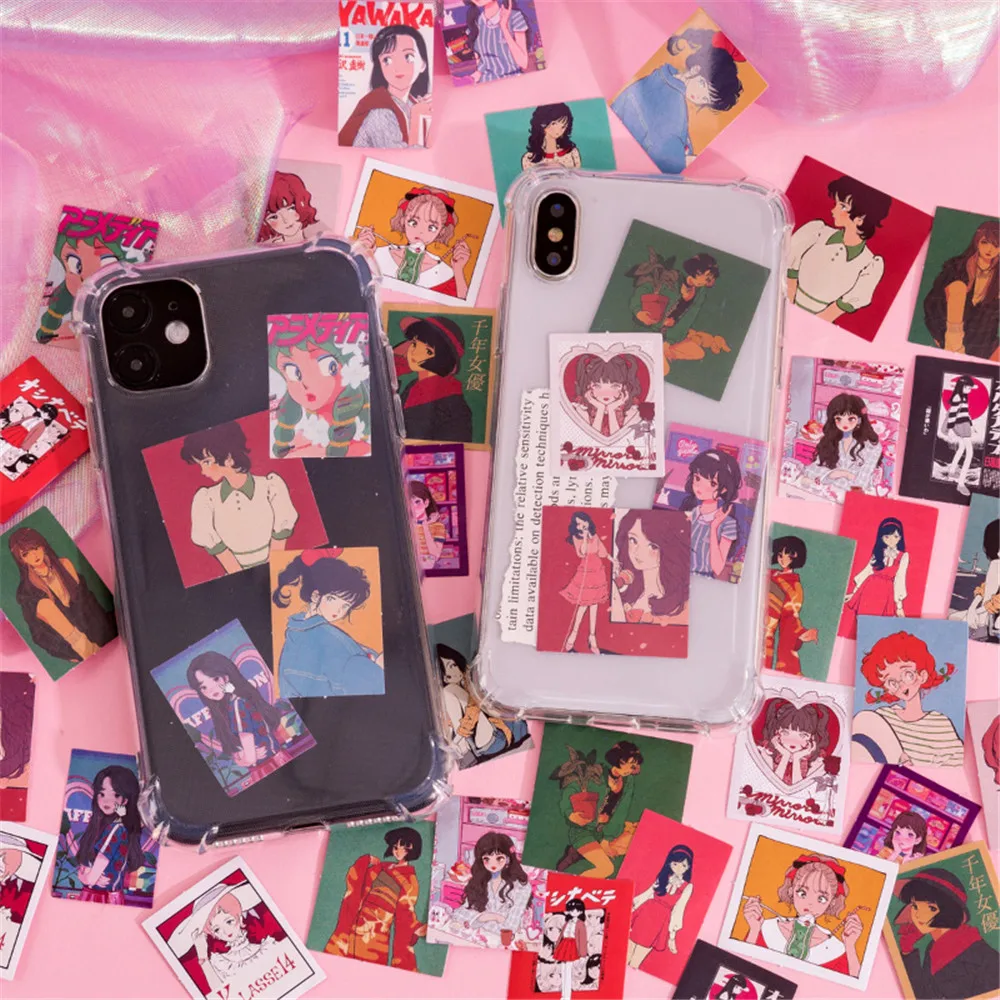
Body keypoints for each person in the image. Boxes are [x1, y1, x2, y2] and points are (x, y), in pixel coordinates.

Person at [611, 29, 744, 173]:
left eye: (705, 99)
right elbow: (664, 152)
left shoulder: (660, 76)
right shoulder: (675, 104)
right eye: (702, 85)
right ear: (696, 69)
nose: (698, 97)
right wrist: (686, 160)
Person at [181, 421, 299, 574]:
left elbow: (280, 536)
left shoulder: (270, 487)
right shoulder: (207, 500)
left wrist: (271, 575)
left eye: (207, 462)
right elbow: (217, 547)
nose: (203, 471)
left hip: (276, 570)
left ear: (228, 457)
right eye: (200, 464)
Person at [272, 551, 384, 698]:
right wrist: (377, 667)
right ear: (315, 596)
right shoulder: (321, 637)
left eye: (345, 606)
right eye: (332, 599)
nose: (338, 610)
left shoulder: (298, 632)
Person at [787, 175, 891, 322]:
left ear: (860, 219)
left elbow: (839, 308)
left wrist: (806, 324)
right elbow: (790, 272)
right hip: (784, 304)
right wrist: (788, 308)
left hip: (817, 322)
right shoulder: (817, 232)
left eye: (842, 206)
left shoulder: (870, 264)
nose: (833, 210)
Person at [741, 854, 865, 977]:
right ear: (791, 890)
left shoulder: (835, 948)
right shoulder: (766, 928)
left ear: (832, 902)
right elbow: (741, 965)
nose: (810, 903)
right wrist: (754, 929)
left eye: (821, 898)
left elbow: (853, 981)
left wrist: (850, 946)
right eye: (802, 893)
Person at [8, 525, 116, 665]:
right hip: (69, 645)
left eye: (35, 548)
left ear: (42, 546)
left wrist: (104, 631)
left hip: (95, 627)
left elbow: (87, 601)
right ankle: (88, 650)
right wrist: (68, 653)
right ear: (21, 559)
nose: (34, 555)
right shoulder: (26, 592)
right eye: (26, 553)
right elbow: (39, 634)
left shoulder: (64, 565)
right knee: (45, 605)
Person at [853, 630, 963, 767]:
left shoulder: (939, 724)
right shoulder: (882, 717)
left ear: (922, 675)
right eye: (891, 682)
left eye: (907, 674)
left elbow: (955, 765)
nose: (901, 685)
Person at [268, 313, 371, 459]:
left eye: (328, 366)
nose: (306, 385)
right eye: (293, 372)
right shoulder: (294, 409)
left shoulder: (353, 400)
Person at [325, 826, 427, 970]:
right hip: (358, 919)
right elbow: (358, 883)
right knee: (335, 961)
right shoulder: (382, 867)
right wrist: (364, 861)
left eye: (403, 848)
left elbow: (405, 910)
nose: (398, 851)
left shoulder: (410, 880)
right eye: (395, 847)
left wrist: (415, 927)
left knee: (365, 969)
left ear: (411, 849)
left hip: (376, 930)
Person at [894, 866, 1000, 998]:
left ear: (950, 911)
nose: (918, 915)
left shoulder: (981, 954)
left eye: (932, 908)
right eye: (915, 906)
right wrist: (907, 951)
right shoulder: (932, 948)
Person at [357, 187, 472, 299]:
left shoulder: (444, 273)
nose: (421, 232)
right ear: (403, 220)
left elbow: (462, 306)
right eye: (413, 222)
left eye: (431, 227)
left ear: (441, 231)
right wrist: (363, 253)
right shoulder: (379, 255)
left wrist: (458, 269)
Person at [185, 651, 290, 771]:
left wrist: (241, 760)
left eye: (215, 679)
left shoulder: (237, 705)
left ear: (226, 677)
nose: (212, 689)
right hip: (276, 760)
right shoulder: (236, 703)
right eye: (203, 687)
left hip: (268, 766)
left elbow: (250, 758)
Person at [626, 249, 729, 372]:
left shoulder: (700, 292)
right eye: (707, 278)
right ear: (697, 271)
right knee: (664, 370)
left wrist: (670, 341)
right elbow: (642, 291)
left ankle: (660, 351)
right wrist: (638, 311)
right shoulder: (672, 278)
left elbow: (689, 318)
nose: (708, 283)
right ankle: (654, 351)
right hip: (650, 328)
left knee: (698, 353)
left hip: (670, 334)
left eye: (710, 280)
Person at [555, 740, 644, 878]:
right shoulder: (596, 773)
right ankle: (571, 883)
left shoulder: (628, 781)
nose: (629, 769)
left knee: (641, 841)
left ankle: (577, 853)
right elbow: (571, 790)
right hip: (583, 831)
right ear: (617, 759)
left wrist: (607, 839)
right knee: (606, 869)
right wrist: (570, 813)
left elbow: (622, 810)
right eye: (627, 763)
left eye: (633, 765)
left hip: (607, 830)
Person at [171, 882, 281, 993]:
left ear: (239, 917)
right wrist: (203, 957)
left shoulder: (267, 946)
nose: (226, 931)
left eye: (229, 921)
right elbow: (219, 994)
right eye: (217, 929)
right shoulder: (220, 963)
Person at [339, 24, 432, 148]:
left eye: (408, 57)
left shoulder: (412, 103)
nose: (398, 67)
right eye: (387, 60)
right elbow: (399, 153)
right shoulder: (380, 110)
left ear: (423, 64)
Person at [437, 643, 529, 765]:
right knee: (448, 692)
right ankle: (461, 746)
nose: (452, 673)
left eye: (453, 665)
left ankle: (462, 747)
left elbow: (472, 715)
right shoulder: (457, 691)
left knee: (448, 691)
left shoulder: (469, 680)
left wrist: (455, 741)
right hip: (488, 740)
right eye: (446, 673)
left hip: (498, 736)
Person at [923, 218, 999, 359]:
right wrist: (938, 334)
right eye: (985, 242)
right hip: (948, 329)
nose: (989, 249)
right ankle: (954, 347)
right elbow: (933, 301)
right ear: (977, 241)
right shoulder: (957, 266)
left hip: (980, 336)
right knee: (958, 287)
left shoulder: (997, 276)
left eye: (996, 245)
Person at [392, 315, 473, 442]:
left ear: (443, 358)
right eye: (414, 344)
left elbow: (453, 448)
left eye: (428, 351)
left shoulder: (454, 406)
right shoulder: (413, 387)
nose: (414, 352)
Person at [73, 765, 145, 905]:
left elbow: (99, 863)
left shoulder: (117, 828)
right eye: (102, 794)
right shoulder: (103, 825)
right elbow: (86, 863)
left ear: (125, 800)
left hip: (102, 897)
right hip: (102, 895)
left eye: (116, 795)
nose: (106, 801)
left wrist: (87, 877)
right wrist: (86, 873)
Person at [448, 831, 532, 947]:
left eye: (499, 858)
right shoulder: (481, 881)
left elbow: (509, 929)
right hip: (479, 938)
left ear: (508, 858)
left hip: (505, 943)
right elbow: (459, 914)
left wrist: (477, 921)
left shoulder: (521, 887)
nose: (493, 863)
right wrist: (490, 917)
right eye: (487, 859)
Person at [611, 509, 689, 626]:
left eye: (652, 546)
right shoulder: (627, 592)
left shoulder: (683, 607)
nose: (638, 552)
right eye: (633, 540)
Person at [677, 449, 743, 581]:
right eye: (697, 478)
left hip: (701, 580)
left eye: (712, 483)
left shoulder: (727, 524)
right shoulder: (689, 513)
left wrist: (713, 528)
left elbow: (717, 568)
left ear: (724, 489)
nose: (700, 486)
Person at [802, 393, 883, 496]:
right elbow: (810, 470)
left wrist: (828, 479)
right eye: (839, 419)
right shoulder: (831, 440)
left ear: (859, 419)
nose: (844, 424)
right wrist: (839, 474)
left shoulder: (872, 446)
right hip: (828, 493)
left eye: (851, 419)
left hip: (853, 497)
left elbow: (860, 486)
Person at [628, 844, 694, 967]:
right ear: (670, 863)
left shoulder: (687, 887)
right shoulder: (663, 876)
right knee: (626, 954)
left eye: (683, 865)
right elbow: (648, 893)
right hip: (645, 913)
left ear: (688, 867)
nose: (679, 868)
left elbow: (679, 909)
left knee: (636, 961)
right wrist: (632, 908)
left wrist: (672, 936)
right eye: (675, 864)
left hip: (660, 921)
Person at [841, 516, 909, 636]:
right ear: (881, 537)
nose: (891, 540)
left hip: (886, 593)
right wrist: (854, 593)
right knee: (862, 621)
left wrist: (899, 606)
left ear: (900, 537)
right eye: (887, 537)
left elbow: (900, 579)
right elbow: (868, 571)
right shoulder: (878, 552)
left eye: (895, 536)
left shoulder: (903, 556)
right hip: (869, 589)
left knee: (879, 626)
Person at [558, 511, 614, 654]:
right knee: (583, 605)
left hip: (597, 571)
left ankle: (592, 636)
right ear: (576, 526)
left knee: (594, 605)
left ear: (588, 522)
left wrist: (614, 561)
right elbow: (581, 553)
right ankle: (573, 634)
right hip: (586, 572)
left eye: (584, 522)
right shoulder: (576, 537)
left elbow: (602, 551)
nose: (582, 525)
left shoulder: (594, 536)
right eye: (579, 524)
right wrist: (584, 538)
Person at [763, 535, 819, 674]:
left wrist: (800, 632)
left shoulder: (794, 586)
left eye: (788, 555)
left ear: (796, 556)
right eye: (780, 554)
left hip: (766, 630)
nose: (783, 559)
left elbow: (790, 615)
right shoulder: (770, 573)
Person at [568, 353, 643, 440]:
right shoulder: (582, 409)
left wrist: (611, 409)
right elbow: (592, 439)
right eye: (597, 386)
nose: (606, 393)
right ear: (589, 386)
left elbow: (619, 439)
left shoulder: (631, 410)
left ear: (624, 387)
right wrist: (600, 408)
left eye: (614, 386)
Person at [758, 699, 832, 786]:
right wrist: (785, 755)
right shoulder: (767, 754)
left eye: (802, 735)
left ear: (811, 738)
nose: (793, 740)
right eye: (786, 733)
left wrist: (797, 758)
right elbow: (773, 784)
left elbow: (800, 788)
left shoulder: (816, 762)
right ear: (777, 733)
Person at [949, 518, 999, 641]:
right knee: (952, 618)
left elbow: (996, 602)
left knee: (954, 621)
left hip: (992, 617)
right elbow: (984, 589)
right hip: (986, 614)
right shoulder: (995, 564)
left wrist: (976, 612)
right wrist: (972, 609)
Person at [464, 0, 531, 85]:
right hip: (486, 84)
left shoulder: (514, 17)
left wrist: (504, 27)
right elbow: (481, 66)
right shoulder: (475, 23)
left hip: (513, 81)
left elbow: (523, 63)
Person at [257, 171, 324, 243]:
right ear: (264, 222)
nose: (286, 220)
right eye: (274, 217)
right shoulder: (267, 247)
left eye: (291, 209)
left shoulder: (321, 240)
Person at [939, 375, 977, 496]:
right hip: (960, 426)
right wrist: (950, 430)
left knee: (961, 448)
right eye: (968, 387)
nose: (969, 390)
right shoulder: (957, 397)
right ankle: (960, 484)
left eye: (970, 388)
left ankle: (951, 471)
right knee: (969, 453)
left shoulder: (963, 397)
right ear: (962, 386)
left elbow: (966, 413)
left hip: (964, 425)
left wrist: (972, 425)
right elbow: (952, 415)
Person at [522, 103, 581, 169]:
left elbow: (577, 174)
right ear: (542, 123)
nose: (559, 129)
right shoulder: (529, 158)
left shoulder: (572, 152)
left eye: (563, 126)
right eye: (554, 124)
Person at [552, 898, 588, 1000]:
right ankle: (563, 995)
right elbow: (561, 935)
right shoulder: (568, 922)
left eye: (576, 910)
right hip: (564, 944)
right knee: (563, 971)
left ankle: (567, 996)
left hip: (572, 946)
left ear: (580, 911)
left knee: (568, 972)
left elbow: (582, 939)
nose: (573, 912)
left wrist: (583, 955)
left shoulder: (580, 923)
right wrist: (556, 947)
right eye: (571, 910)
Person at [408, 480, 447, 571]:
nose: (413, 507)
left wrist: (425, 525)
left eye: (417, 502)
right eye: (409, 502)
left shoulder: (437, 526)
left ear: (426, 503)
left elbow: (435, 555)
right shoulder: (406, 525)